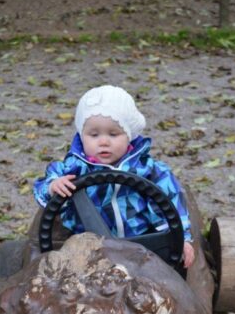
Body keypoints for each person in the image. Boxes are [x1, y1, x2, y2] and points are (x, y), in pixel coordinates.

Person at [33, 84, 195, 269]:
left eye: (113, 134)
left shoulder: (148, 169)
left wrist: (182, 239)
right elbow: (42, 187)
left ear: (129, 135)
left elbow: (172, 203)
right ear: (81, 135)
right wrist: (52, 185)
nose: (103, 141)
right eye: (94, 134)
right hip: (86, 248)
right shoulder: (73, 168)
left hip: (142, 244)